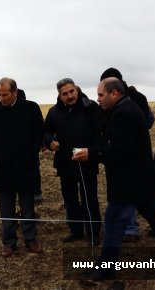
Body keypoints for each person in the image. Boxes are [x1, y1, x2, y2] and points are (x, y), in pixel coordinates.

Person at [73, 78, 155, 280]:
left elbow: (120, 150)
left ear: (114, 93)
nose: (98, 99)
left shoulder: (124, 114)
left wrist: (92, 154)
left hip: (128, 182)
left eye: (101, 94)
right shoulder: (128, 108)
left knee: (113, 223)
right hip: (144, 180)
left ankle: (106, 268)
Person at [0, 77, 44, 257]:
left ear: (15, 92)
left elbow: (38, 134)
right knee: (6, 210)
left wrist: (30, 156)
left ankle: (30, 240)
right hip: (3, 169)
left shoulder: (31, 108)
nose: (2, 98)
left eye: (5, 95)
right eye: (0, 95)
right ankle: (9, 243)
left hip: (26, 167)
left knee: (27, 208)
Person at [43, 78, 103, 245]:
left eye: (72, 91)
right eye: (65, 93)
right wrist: (50, 142)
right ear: (59, 95)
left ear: (76, 89)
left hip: (87, 162)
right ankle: (75, 230)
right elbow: (46, 131)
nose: (70, 96)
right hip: (65, 162)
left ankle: (93, 232)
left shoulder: (90, 107)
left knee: (89, 199)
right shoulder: (54, 112)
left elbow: (100, 134)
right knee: (69, 199)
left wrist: (91, 152)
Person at [99, 67, 155, 242]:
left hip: (133, 156)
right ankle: (131, 228)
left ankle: (129, 229)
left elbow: (147, 122)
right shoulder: (110, 103)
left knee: (128, 196)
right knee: (127, 195)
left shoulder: (135, 100)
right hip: (120, 156)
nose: (100, 98)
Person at [17, 88, 43, 203]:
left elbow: (39, 128)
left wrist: (40, 144)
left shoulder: (31, 109)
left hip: (31, 148)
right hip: (17, 149)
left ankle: (37, 191)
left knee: (34, 169)